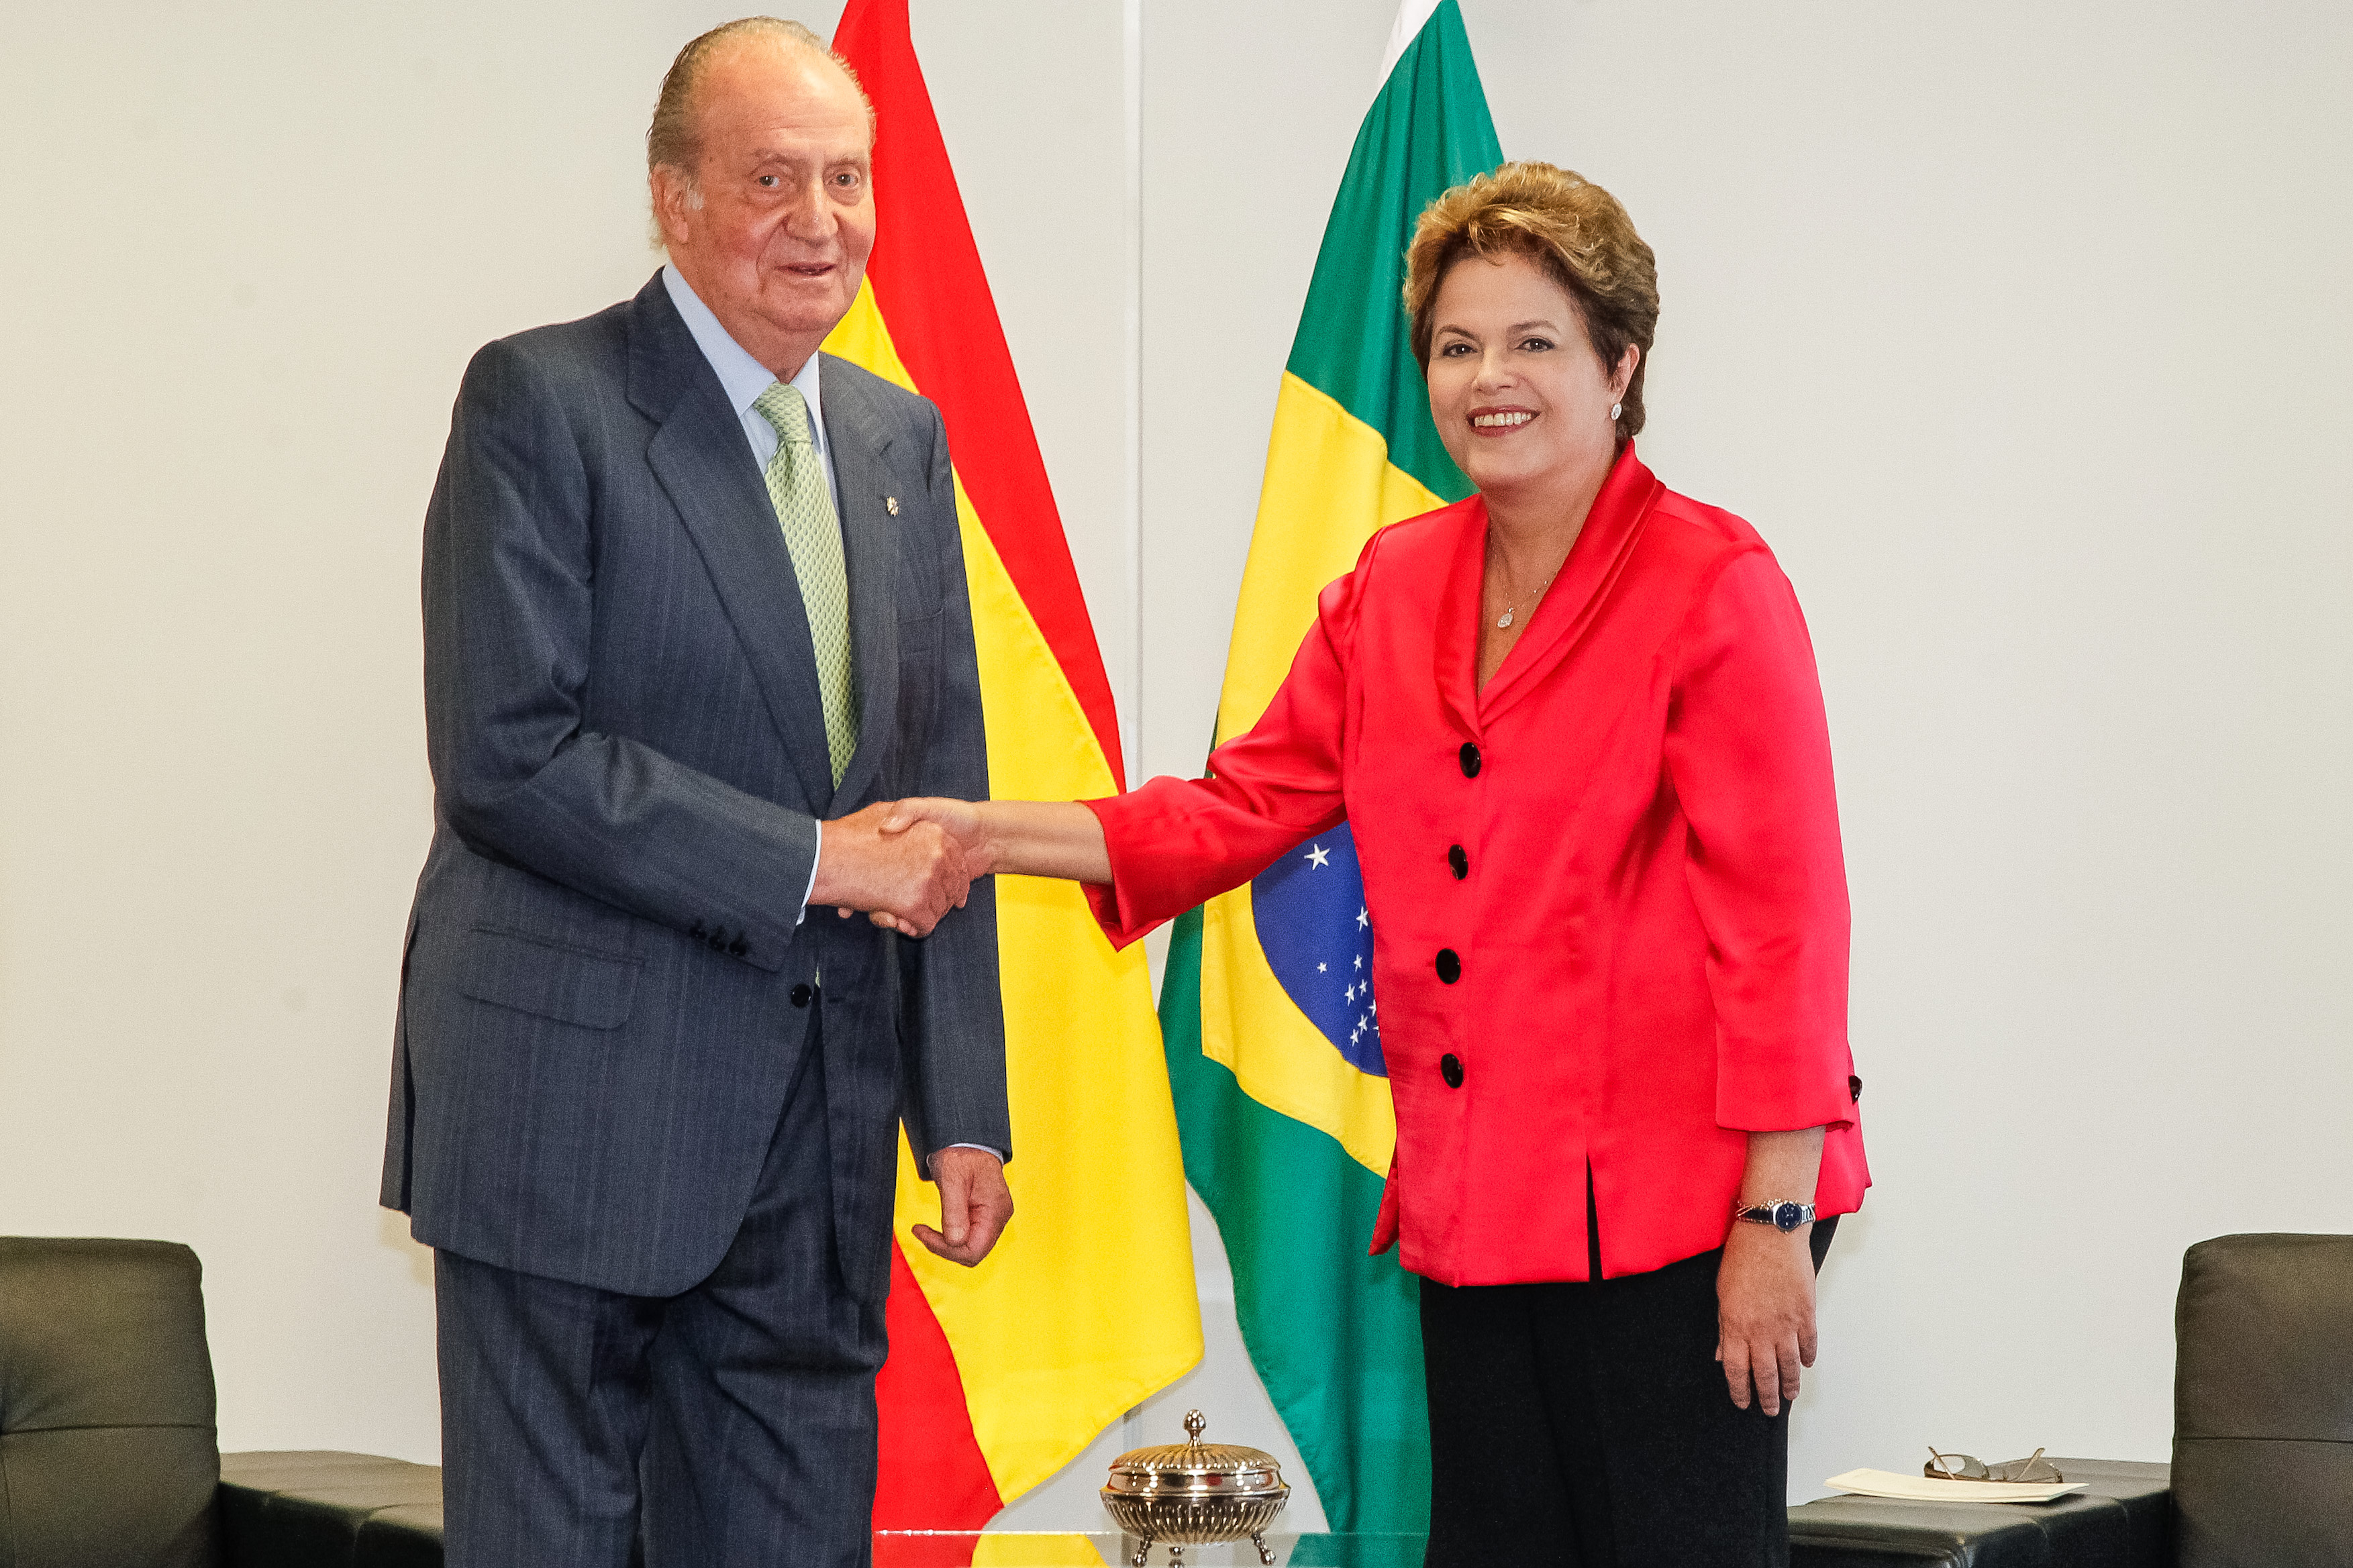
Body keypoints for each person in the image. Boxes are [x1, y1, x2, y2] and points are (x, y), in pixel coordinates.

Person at [884, 163, 1868, 1566]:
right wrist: (985, 834)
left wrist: (1773, 1217)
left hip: (1685, 1215)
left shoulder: (1712, 584)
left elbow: (1786, 931)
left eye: (1533, 342)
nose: (1488, 379)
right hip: (1481, 1205)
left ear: (1620, 365)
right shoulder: (1390, 586)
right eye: (1457, 346)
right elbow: (1231, 809)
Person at [379, 19, 1014, 1567]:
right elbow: (508, 757)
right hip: (574, 1122)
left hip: (820, 1142)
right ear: (673, 198)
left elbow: (937, 793)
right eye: (772, 178)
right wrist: (815, 861)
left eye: (847, 179)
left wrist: (962, 1106)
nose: (821, 221)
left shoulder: (898, 439)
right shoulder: (543, 401)